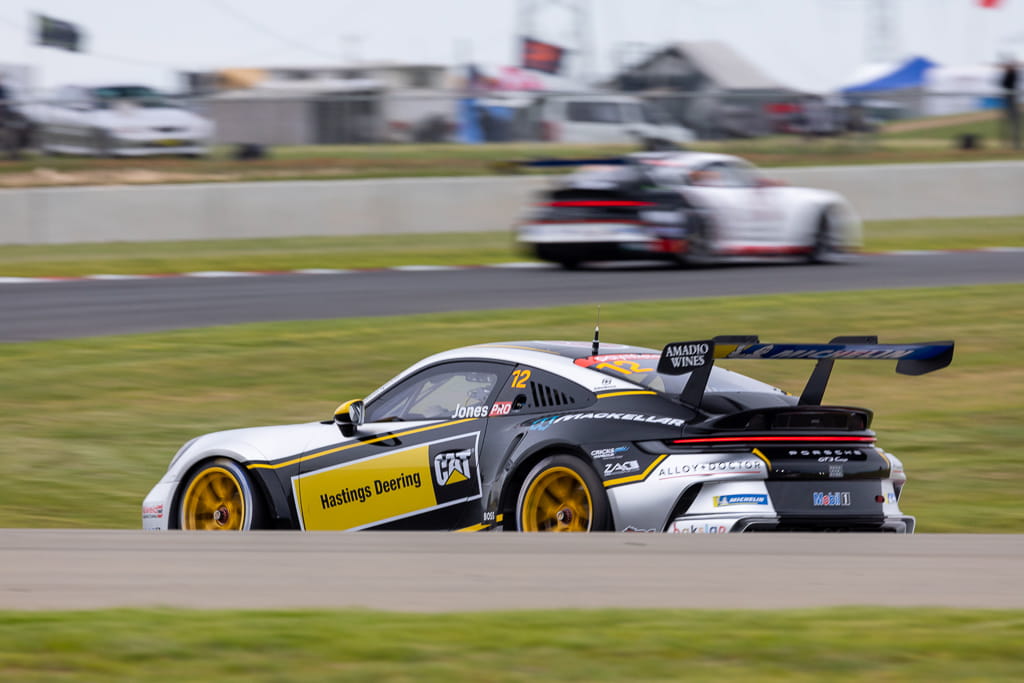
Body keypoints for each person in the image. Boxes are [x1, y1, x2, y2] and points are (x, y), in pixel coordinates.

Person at [999, 57, 1020, 150]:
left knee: (1014, 123)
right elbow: (1003, 83)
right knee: (1010, 123)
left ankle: (1015, 143)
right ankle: (1009, 143)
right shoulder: (1011, 73)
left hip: (1011, 99)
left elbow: (1004, 83)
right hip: (1009, 99)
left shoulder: (1013, 74)